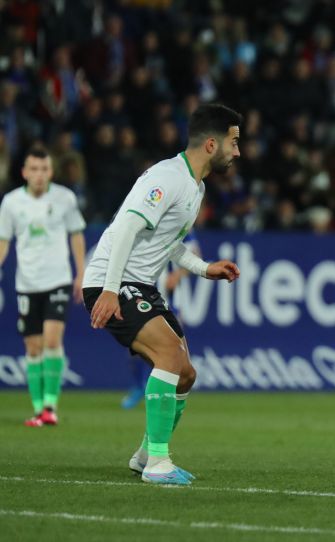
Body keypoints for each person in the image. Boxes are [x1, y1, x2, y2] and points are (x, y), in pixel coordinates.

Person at [82, 104, 242, 485]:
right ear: (210, 144)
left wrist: (205, 269)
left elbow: (168, 244)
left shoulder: (195, 186)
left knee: (185, 374)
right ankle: (158, 463)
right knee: (169, 356)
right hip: (115, 280)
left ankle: (144, 455)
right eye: (233, 143)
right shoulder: (166, 177)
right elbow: (125, 229)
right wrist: (108, 289)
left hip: (140, 285)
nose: (237, 152)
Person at [0, 146, 86, 427]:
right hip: (27, 283)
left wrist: (81, 273)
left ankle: (50, 406)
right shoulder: (11, 203)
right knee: (33, 347)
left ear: (51, 171)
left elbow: (76, 234)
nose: (39, 175)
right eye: (34, 169)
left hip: (57, 280)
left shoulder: (65, 198)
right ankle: (38, 409)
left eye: (44, 169)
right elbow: (4, 241)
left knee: (51, 340)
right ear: (24, 172)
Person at [121, 229, 201, 409]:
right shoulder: (143, 221)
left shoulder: (179, 220)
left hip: (169, 299)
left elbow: (195, 252)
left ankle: (165, 391)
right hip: (141, 294)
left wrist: (179, 274)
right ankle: (139, 387)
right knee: (136, 347)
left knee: (173, 347)